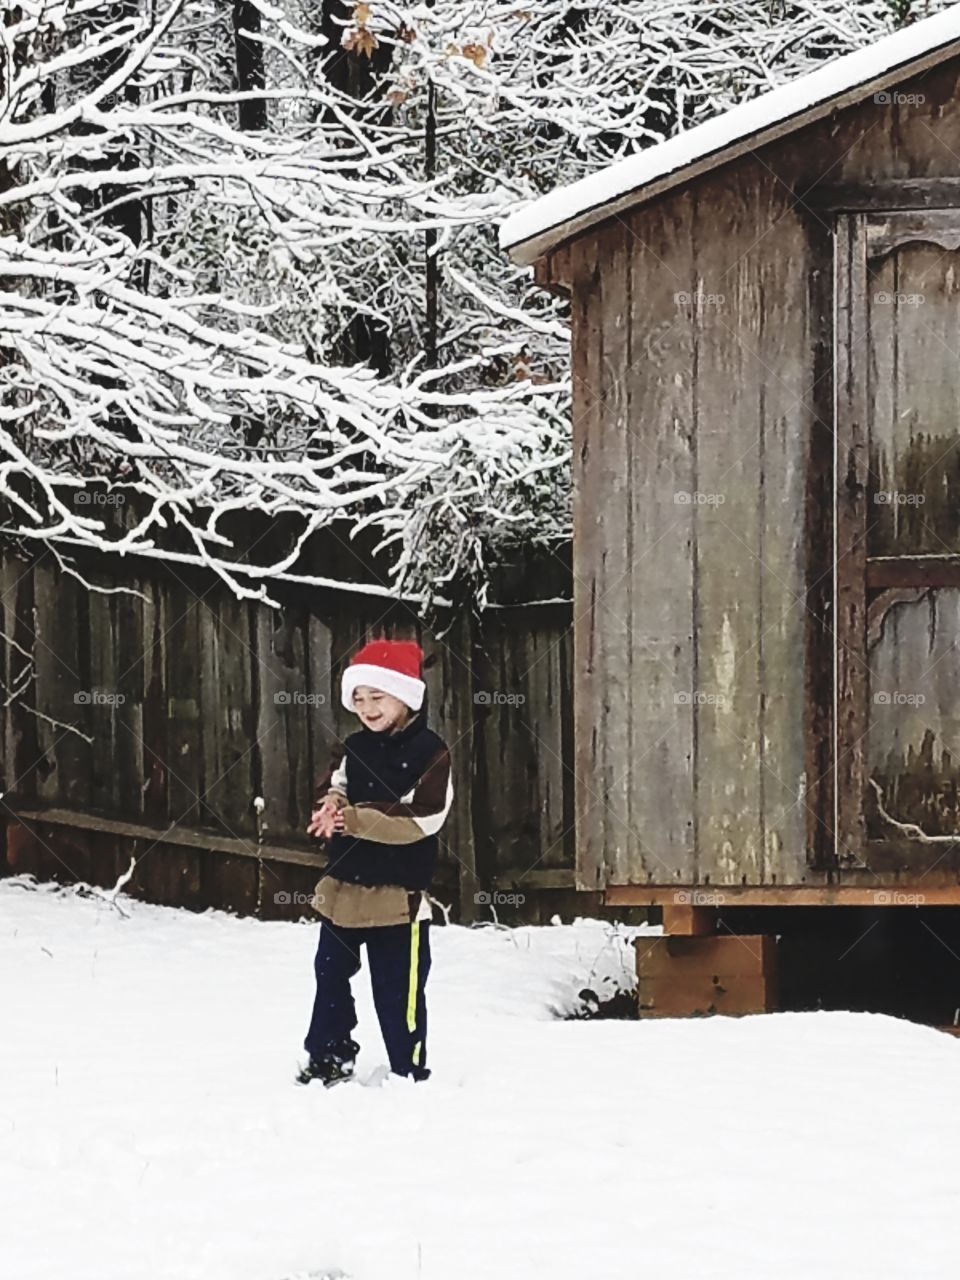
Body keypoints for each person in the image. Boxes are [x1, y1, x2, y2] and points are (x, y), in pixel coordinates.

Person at [297, 638, 453, 1087]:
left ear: (404, 695)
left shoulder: (431, 752)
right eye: (358, 698)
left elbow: (425, 816)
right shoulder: (352, 747)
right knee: (330, 979)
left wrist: (355, 819)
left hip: (397, 897)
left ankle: (408, 1068)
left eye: (377, 696)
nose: (366, 707)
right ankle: (328, 1058)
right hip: (344, 888)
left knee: (397, 990)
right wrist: (330, 805)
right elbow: (336, 786)